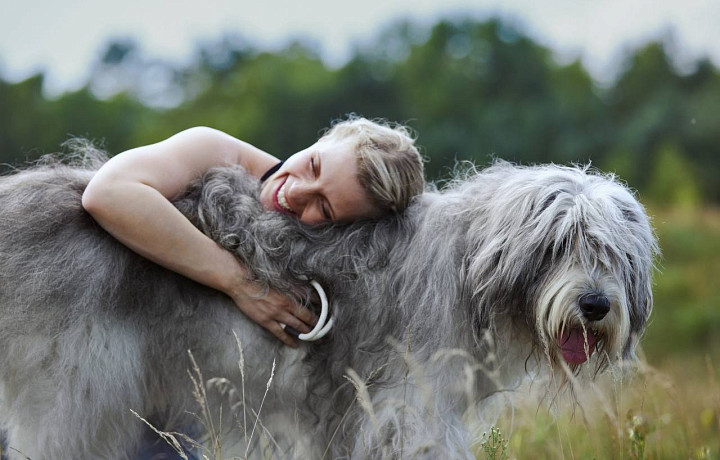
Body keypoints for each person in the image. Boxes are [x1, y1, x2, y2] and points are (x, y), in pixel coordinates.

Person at [82, 116, 424, 348]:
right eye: (313, 165)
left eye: (323, 208)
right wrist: (241, 283)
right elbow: (108, 192)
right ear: (324, 138)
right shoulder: (215, 150)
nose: (294, 193)